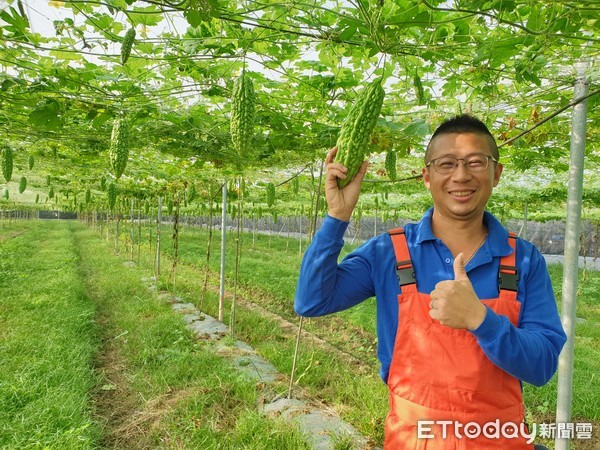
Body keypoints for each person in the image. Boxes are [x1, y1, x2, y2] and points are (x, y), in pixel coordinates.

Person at [294, 114, 567, 449]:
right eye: (446, 163)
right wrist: (337, 217)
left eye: (476, 162)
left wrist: (481, 320)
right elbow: (311, 302)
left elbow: (541, 367)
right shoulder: (389, 252)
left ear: (496, 174)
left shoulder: (523, 259)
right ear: (426, 176)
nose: (461, 175)